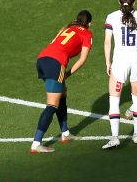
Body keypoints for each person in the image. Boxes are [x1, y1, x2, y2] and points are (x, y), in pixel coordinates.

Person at [30, 10, 93, 153]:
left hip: (42, 58)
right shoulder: (87, 33)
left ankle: (65, 133)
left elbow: (54, 42)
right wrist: (68, 73)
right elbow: (82, 59)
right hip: (55, 62)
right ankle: (36, 143)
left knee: (62, 94)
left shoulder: (67, 27)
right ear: (89, 23)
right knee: (52, 104)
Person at [102, 0, 137, 150]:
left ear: (119, 2)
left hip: (120, 63)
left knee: (114, 99)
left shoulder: (111, 16)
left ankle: (115, 137)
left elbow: (107, 42)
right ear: (135, 2)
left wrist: (107, 62)